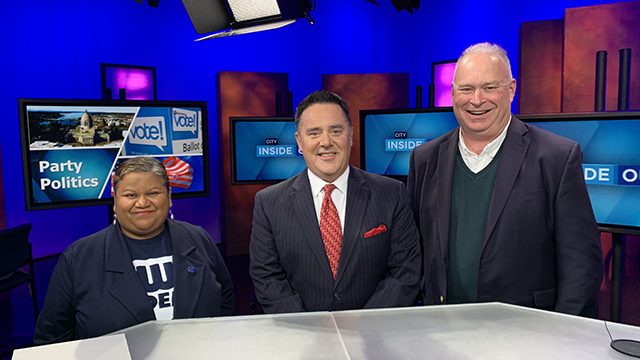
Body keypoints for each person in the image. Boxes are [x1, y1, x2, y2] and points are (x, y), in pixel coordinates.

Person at [407, 42, 603, 317]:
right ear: (452, 94)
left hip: (526, 333)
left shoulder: (556, 157)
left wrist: (565, 337)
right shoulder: (424, 159)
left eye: (489, 87)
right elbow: (413, 252)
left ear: (511, 89)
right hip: (442, 327)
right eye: (466, 89)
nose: (476, 100)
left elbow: (581, 265)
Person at [249, 90, 421, 314]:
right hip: (301, 335)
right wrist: (307, 327)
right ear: (299, 142)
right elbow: (266, 275)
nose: (326, 142)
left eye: (335, 131)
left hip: (374, 335)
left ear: (351, 136)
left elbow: (405, 271)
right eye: (314, 133)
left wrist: (365, 324)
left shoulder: (392, 193)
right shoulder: (268, 202)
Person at [34, 157, 234, 344]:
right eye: (131, 195)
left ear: (169, 197)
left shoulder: (198, 238)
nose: (142, 203)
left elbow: (225, 299)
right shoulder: (78, 257)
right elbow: (52, 336)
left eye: (153, 193)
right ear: (115, 202)